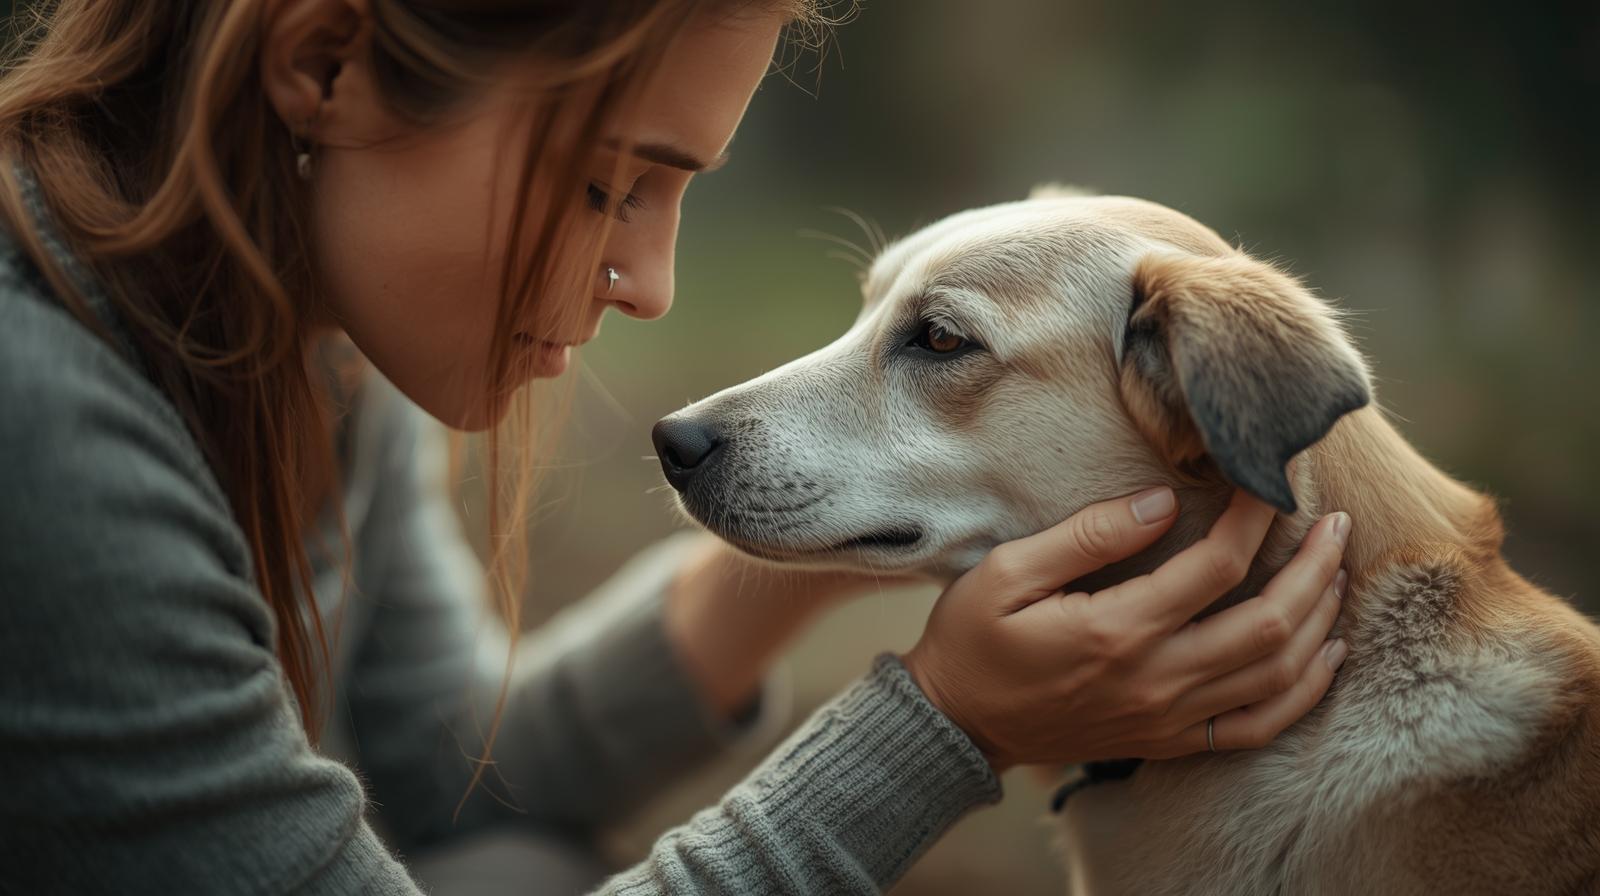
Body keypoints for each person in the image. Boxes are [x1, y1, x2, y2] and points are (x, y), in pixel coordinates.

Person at [0, 1, 1351, 893]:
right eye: (606, 185)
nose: (648, 281)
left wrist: (835, 520)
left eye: (678, 191)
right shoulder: (40, 427)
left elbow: (443, 765)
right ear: (326, 63)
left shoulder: (311, 342)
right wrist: (948, 727)